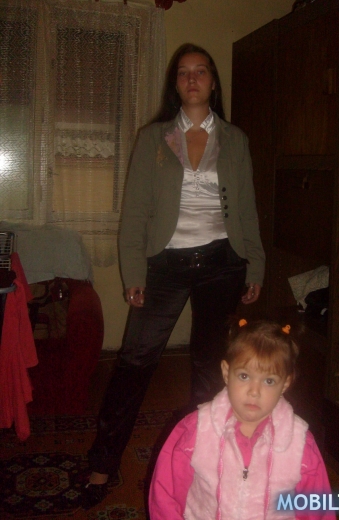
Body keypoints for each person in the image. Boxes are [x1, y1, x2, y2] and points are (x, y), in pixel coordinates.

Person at [80, 43, 265, 509]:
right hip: (163, 264)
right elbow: (135, 212)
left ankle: (206, 463)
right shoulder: (153, 138)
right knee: (134, 362)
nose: (192, 79)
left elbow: (246, 209)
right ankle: (103, 460)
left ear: (213, 82)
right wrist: (133, 271)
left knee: (209, 367)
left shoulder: (236, 140)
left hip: (223, 263)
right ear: (175, 84)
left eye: (201, 71)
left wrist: (256, 263)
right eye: (183, 72)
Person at [149, 320, 336, 520]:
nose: (254, 391)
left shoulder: (299, 443)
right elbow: (165, 493)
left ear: (285, 383)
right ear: (226, 372)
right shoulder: (197, 430)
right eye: (244, 376)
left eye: (269, 381)